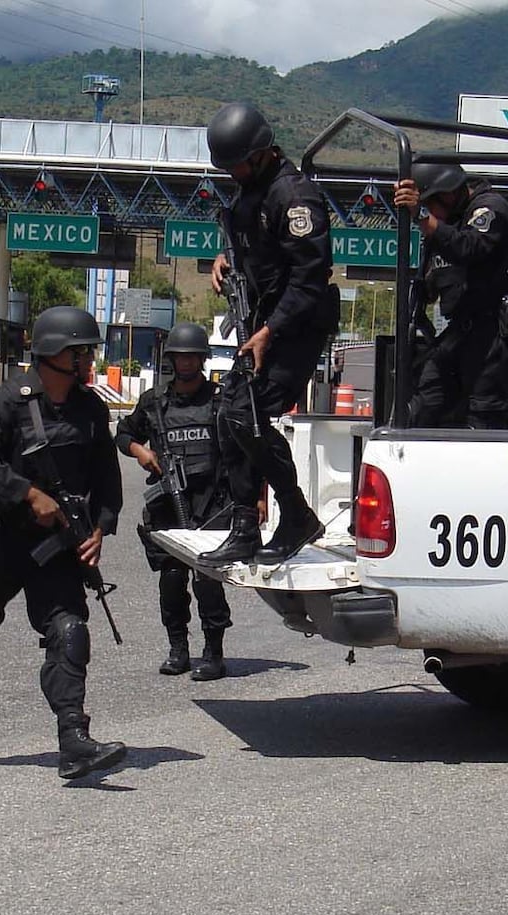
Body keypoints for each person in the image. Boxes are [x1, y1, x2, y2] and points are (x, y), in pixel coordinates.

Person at [0, 305, 129, 782]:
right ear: (53, 354)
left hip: (58, 546)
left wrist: (100, 528)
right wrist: (27, 493)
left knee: (69, 632)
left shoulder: (90, 409)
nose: (90, 362)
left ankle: (73, 740)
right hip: (1, 542)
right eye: (81, 352)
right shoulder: (5, 403)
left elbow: (107, 479)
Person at [198, 100, 340, 567]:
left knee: (247, 417)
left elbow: (309, 278)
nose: (233, 172)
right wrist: (224, 259)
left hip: (294, 327)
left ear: (260, 153)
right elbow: (249, 248)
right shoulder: (250, 193)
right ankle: (244, 525)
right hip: (261, 324)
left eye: (237, 163)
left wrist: (270, 331)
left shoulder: (294, 197)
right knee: (228, 416)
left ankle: (297, 515)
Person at [115, 322, 234, 681]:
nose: (185, 363)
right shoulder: (155, 402)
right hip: (169, 504)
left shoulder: (219, 402)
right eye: (179, 357)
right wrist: (141, 452)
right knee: (171, 579)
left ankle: (213, 652)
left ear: (201, 359)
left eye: (191, 357)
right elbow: (122, 434)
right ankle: (178, 649)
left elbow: (241, 452)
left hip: (211, 505)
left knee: (207, 581)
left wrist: (253, 499)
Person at [391, 161, 508, 429]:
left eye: (431, 203)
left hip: (495, 332)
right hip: (461, 331)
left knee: (483, 415)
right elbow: (436, 277)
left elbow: (469, 246)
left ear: (447, 194)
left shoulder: (489, 209)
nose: (431, 214)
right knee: (424, 402)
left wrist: (422, 216)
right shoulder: (448, 225)